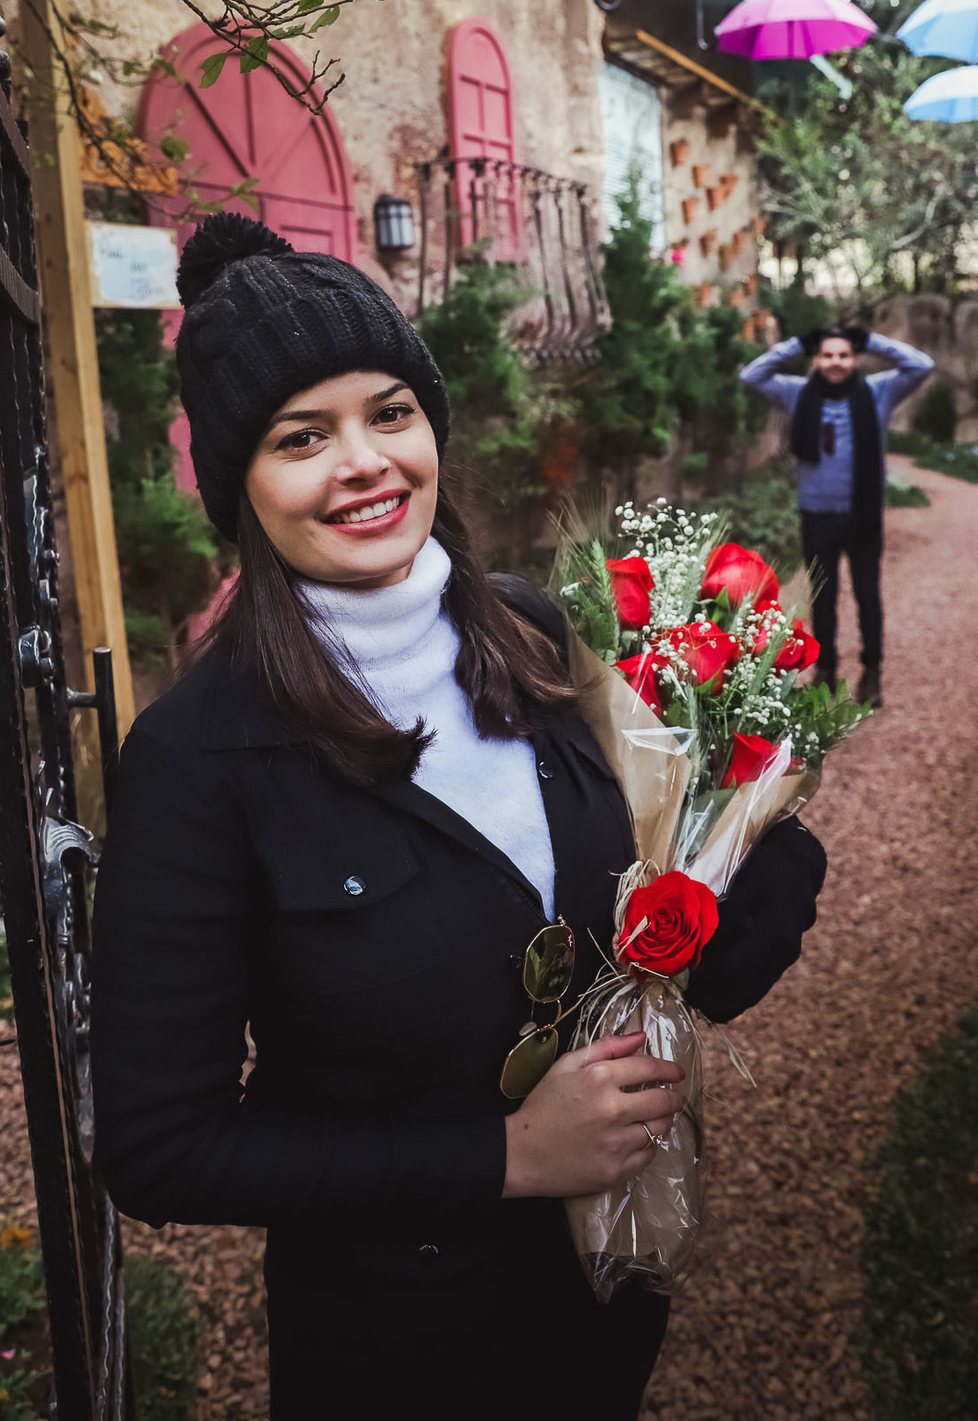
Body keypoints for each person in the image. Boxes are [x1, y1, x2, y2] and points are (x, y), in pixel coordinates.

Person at [91, 212, 829, 1421]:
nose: (367, 462)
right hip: (398, 1347)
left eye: (390, 412)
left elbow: (696, 840)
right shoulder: (199, 757)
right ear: (240, 482)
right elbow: (160, 1147)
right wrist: (509, 1158)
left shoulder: (538, 635)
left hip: (603, 1301)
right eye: (301, 437)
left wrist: (731, 907)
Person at [740, 322, 934, 708]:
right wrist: (797, 340)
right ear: (817, 358)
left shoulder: (878, 392)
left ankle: (872, 671)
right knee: (823, 597)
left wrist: (873, 341)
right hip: (816, 515)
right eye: (827, 354)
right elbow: (752, 375)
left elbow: (921, 365)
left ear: (854, 358)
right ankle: (825, 669)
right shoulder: (796, 394)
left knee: (867, 596)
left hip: (863, 517)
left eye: (844, 354)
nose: (835, 362)